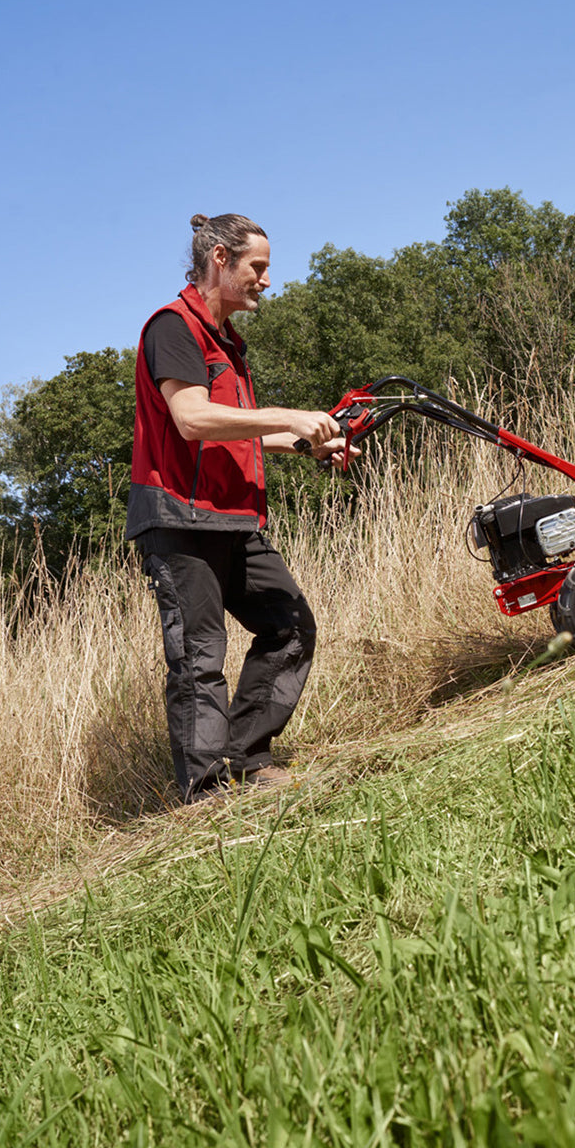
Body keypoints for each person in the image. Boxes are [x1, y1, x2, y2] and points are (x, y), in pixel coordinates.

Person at [125, 213, 354, 804]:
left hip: (233, 519)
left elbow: (234, 433)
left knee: (290, 626)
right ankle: (204, 795)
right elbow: (193, 420)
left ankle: (246, 759)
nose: (266, 280)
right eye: (259, 267)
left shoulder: (228, 344)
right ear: (220, 259)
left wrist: (307, 443)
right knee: (200, 656)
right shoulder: (173, 328)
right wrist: (288, 415)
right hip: (178, 518)